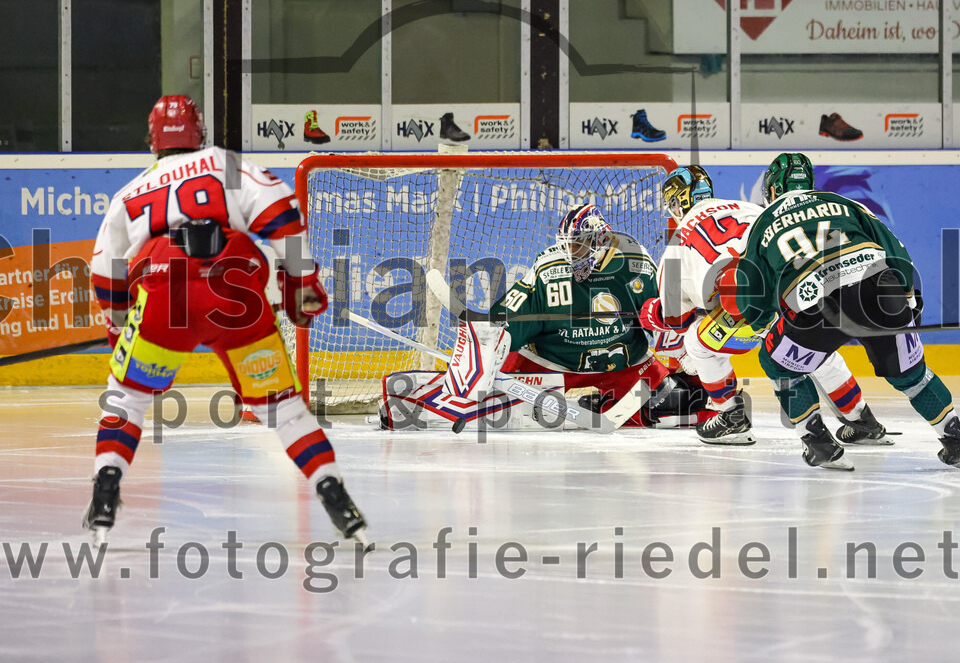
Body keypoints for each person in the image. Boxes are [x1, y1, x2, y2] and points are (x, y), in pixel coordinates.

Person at [85, 95, 367, 544]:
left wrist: (119, 323)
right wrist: (300, 283)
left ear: (152, 140)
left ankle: (105, 492)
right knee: (285, 412)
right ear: (199, 133)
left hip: (163, 291)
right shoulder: (223, 164)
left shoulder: (129, 193)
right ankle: (337, 498)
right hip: (234, 290)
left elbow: (104, 272)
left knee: (127, 401)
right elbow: (282, 219)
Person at [719, 151, 960, 470]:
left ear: (773, 190)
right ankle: (954, 437)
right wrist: (909, 299)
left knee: (777, 362)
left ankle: (817, 441)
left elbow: (751, 293)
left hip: (817, 303)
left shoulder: (763, 222)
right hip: (880, 286)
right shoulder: (844, 203)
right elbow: (894, 248)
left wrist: (763, 324)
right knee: (911, 374)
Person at [380, 203, 710, 430]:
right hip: (552, 361)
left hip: (623, 363)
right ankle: (412, 399)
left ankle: (604, 403)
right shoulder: (549, 271)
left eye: (579, 246)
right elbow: (508, 317)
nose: (572, 254)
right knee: (492, 411)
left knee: (677, 405)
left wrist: (685, 356)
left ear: (601, 241)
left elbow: (669, 319)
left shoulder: (637, 264)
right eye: (568, 246)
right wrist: (489, 333)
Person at [640, 165, 889, 447]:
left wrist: (652, 313)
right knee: (813, 349)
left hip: (739, 314)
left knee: (697, 343)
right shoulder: (750, 209)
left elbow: (676, 319)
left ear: (676, 203)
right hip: (792, 289)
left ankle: (730, 417)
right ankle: (862, 420)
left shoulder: (676, 245)